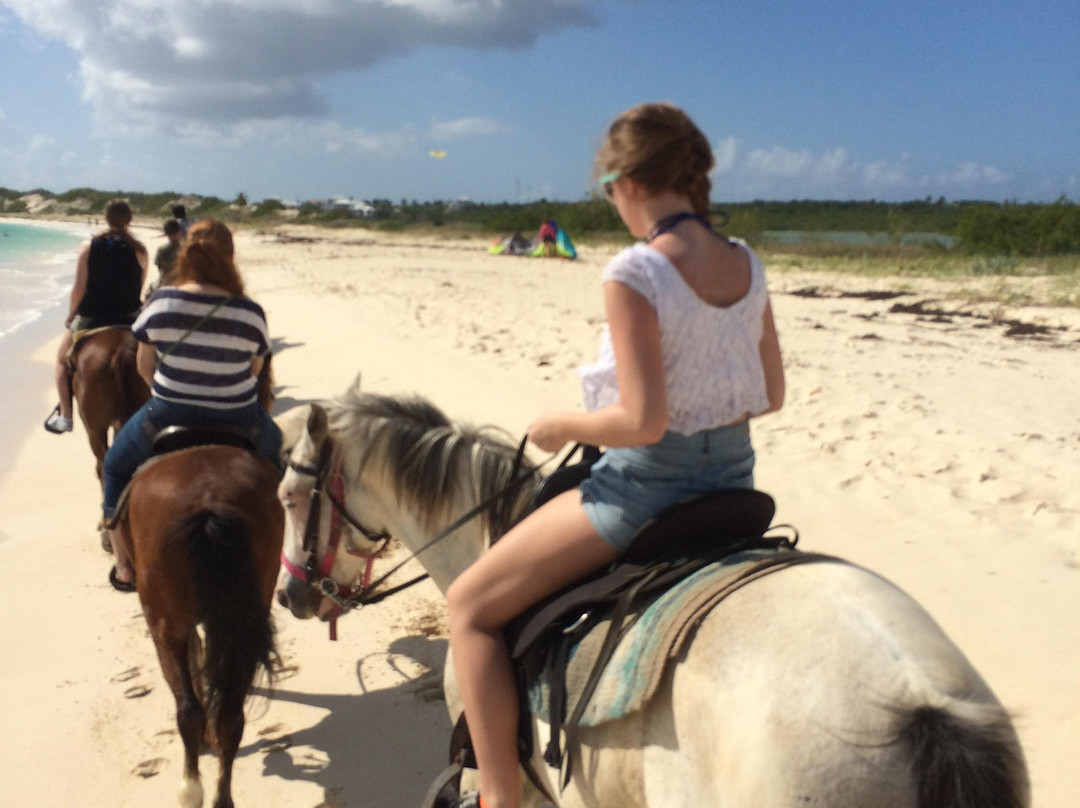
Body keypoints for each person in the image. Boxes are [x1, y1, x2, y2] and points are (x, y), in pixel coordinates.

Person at [443, 102, 785, 808]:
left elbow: (642, 419)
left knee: (469, 606)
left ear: (626, 179)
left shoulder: (636, 271)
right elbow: (770, 395)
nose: (611, 203)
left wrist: (559, 424)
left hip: (645, 494)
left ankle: (500, 799)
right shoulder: (746, 262)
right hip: (735, 484)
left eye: (605, 188)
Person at [101, 218, 283, 591]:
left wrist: (171, 391)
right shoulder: (250, 311)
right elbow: (255, 369)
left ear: (186, 253)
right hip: (240, 416)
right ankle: (293, 557)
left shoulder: (163, 300)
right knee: (286, 476)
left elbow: (144, 366)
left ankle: (123, 564)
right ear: (231, 257)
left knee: (115, 468)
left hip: (169, 412)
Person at [45, 200, 148, 434]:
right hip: (129, 316)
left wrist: (72, 314)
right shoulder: (140, 250)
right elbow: (138, 289)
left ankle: (65, 416)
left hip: (93, 316)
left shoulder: (89, 247)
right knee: (156, 355)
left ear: (106, 218)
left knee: (62, 360)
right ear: (129, 220)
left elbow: (79, 288)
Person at [146, 218, 182, 295]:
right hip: (183, 281)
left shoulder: (162, 250)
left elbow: (159, 267)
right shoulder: (186, 248)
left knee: (149, 292)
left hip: (165, 281)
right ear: (179, 231)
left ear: (165, 233)